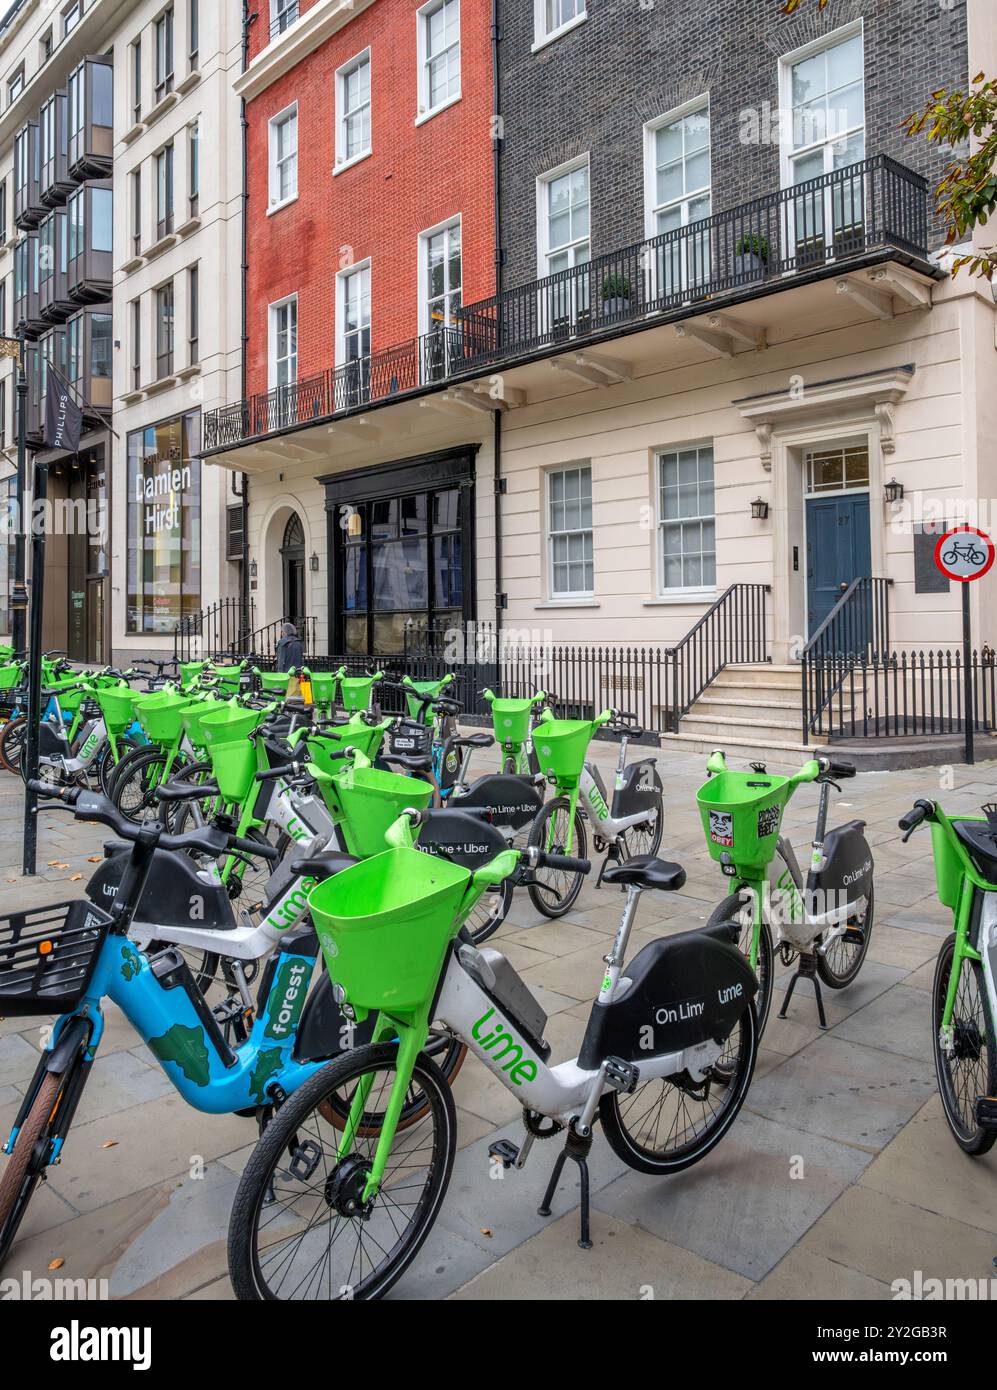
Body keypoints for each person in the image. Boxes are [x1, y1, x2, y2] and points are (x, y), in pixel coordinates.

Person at [275, 621, 304, 697]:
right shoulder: (299, 643)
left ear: (284, 632)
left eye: (282, 632)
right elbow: (301, 660)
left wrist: (279, 675)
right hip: (297, 674)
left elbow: (281, 660)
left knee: (285, 697)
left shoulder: (283, 643)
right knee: (296, 696)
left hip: (286, 675)